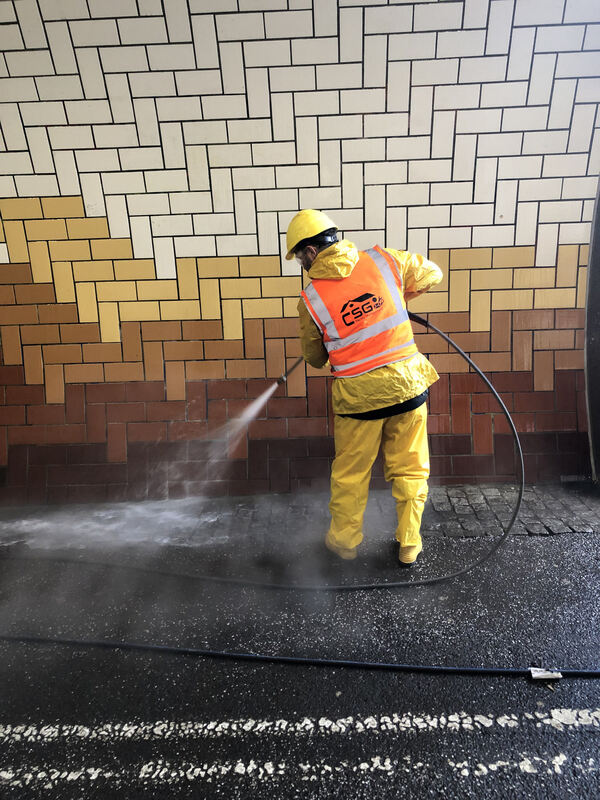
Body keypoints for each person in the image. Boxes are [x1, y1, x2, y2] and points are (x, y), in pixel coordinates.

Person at [287, 209, 443, 566]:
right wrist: (399, 295)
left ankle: (343, 545)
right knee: (410, 469)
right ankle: (409, 544)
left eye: (299, 257)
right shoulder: (384, 261)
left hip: (359, 403)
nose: (301, 264)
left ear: (311, 251)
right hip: (407, 389)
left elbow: (314, 358)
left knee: (351, 476)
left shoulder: (311, 299)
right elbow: (433, 272)